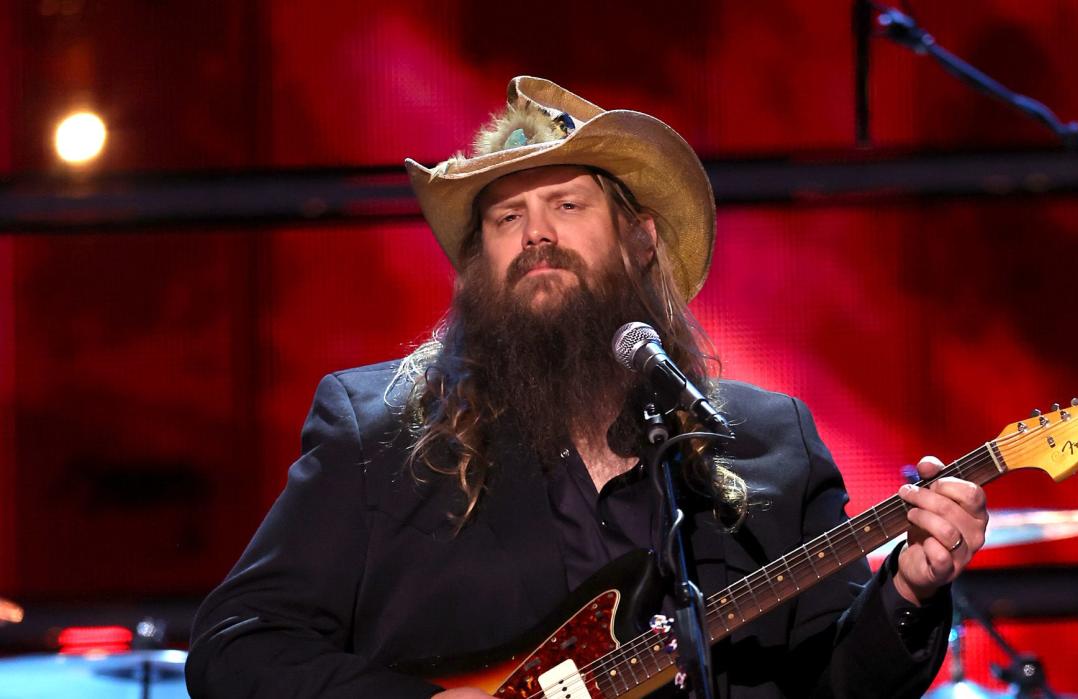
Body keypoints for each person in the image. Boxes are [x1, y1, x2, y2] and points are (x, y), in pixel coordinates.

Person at [186, 76, 988, 699]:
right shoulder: (380, 430)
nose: (536, 232)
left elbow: (841, 683)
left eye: (568, 204)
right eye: (506, 219)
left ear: (641, 241)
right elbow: (238, 642)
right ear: (478, 269)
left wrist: (911, 590)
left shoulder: (768, 439)